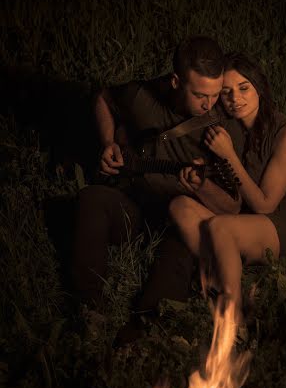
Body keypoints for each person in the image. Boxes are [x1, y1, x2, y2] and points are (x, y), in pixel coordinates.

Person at [72, 36, 246, 343]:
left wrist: (201, 185)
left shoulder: (221, 128)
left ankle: (142, 334)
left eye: (216, 94)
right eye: (200, 95)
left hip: (175, 220)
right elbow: (103, 98)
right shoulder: (143, 98)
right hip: (133, 205)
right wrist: (108, 142)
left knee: (181, 248)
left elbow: (232, 207)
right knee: (91, 199)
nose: (210, 104)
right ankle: (90, 311)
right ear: (176, 82)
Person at [169, 52, 286, 325]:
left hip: (285, 222)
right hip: (246, 220)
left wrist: (228, 156)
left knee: (220, 227)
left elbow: (265, 205)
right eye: (226, 92)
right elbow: (233, 192)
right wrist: (203, 176)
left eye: (243, 88)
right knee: (180, 206)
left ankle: (231, 317)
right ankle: (220, 277)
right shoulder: (233, 131)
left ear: (259, 86)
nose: (235, 99)